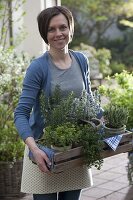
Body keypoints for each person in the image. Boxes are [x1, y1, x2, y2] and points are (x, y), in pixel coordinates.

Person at [14, 6, 102, 200]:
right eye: (51, 29)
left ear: (70, 29)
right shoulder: (38, 68)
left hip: (74, 149)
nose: (58, 33)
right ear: (44, 34)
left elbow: (88, 101)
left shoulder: (81, 60)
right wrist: (34, 149)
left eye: (63, 27)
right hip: (43, 154)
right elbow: (20, 113)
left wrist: (108, 123)